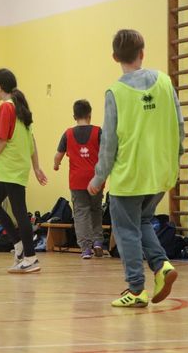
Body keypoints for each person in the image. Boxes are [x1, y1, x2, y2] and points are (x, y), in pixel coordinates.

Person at [87, 29, 185, 307]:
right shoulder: (165, 82)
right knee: (141, 221)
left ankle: (136, 289)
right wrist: (176, 158)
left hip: (129, 174)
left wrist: (99, 175)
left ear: (114, 57)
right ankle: (162, 266)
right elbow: (179, 126)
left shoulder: (115, 92)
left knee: (126, 230)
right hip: (160, 171)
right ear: (143, 52)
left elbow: (109, 140)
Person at [0, 68, 48, 274]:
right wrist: (36, 167)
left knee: (19, 212)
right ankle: (18, 245)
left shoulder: (6, 107)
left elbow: (1, 140)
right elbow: (31, 141)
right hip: (17, 167)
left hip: (11, 167)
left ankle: (30, 257)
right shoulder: (20, 107)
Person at [54, 99, 103, 259]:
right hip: (95, 179)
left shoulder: (68, 134)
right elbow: (106, 153)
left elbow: (58, 155)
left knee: (81, 213)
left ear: (74, 116)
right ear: (90, 115)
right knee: (96, 210)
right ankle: (97, 241)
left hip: (77, 181)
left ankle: (86, 249)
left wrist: (56, 165)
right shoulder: (98, 132)